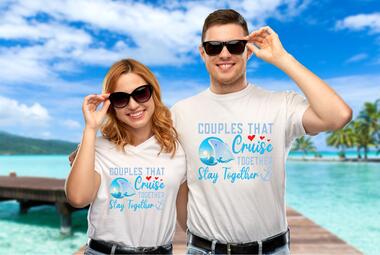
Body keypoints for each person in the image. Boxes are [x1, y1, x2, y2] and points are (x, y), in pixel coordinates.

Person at [170, 9, 352, 255]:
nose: (224, 53)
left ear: (248, 51)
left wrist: (282, 58)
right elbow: (179, 182)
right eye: (214, 47)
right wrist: (198, 237)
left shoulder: (280, 104)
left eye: (235, 45)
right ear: (203, 53)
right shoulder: (181, 112)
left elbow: (338, 115)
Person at [65, 58, 187, 255]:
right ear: (111, 105)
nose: (133, 105)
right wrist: (90, 129)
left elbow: (187, 216)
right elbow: (78, 198)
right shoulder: (97, 148)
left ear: (153, 93)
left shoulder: (177, 149)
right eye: (121, 98)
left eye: (141, 93)